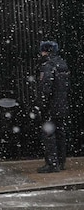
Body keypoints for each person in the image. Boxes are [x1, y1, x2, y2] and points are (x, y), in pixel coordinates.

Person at [36, 41, 70, 173]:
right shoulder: (62, 64)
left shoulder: (47, 66)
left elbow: (46, 88)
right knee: (61, 133)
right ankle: (61, 161)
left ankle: (52, 163)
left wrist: (42, 104)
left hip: (51, 106)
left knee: (49, 134)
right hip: (61, 104)